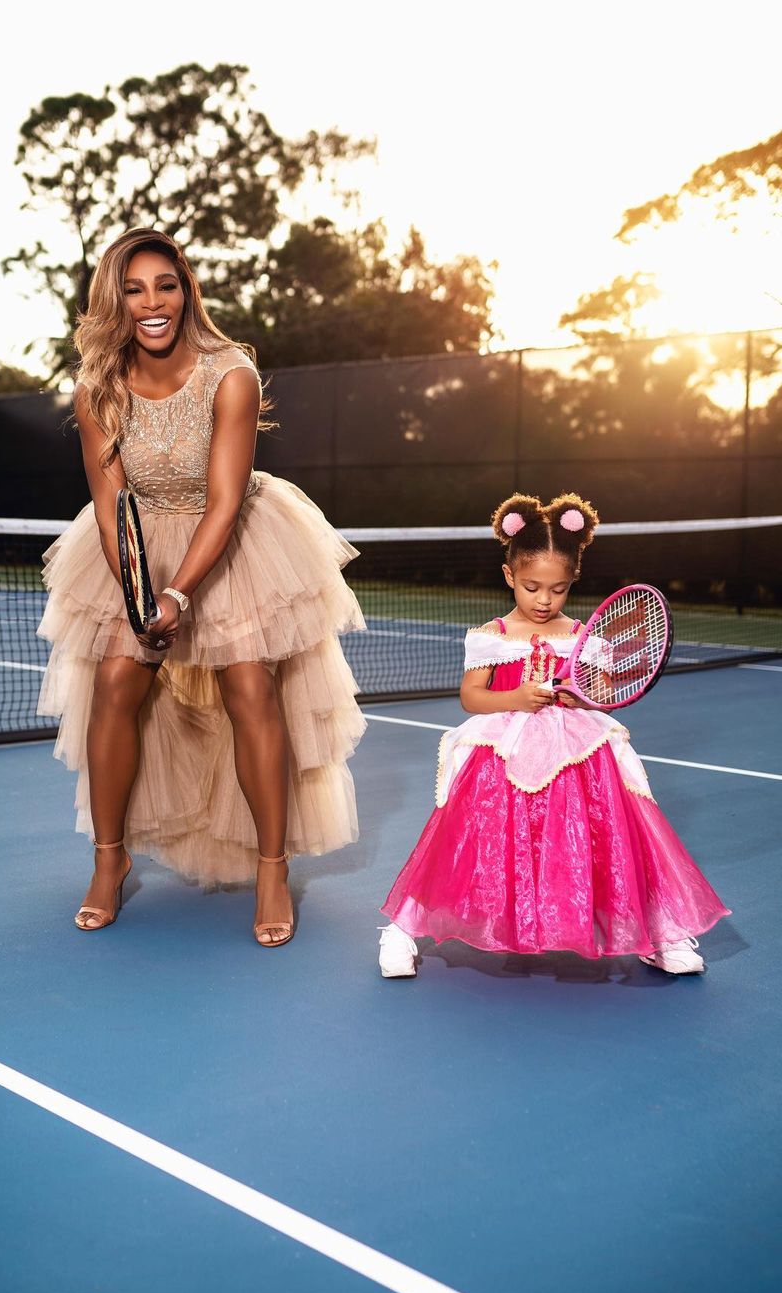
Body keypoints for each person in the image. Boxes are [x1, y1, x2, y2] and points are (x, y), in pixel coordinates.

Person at [36, 228, 366, 945]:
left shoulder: (231, 374)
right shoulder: (97, 388)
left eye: (166, 285)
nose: (152, 303)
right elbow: (108, 504)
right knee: (118, 682)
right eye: (134, 289)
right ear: (114, 301)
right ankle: (109, 860)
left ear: (186, 291)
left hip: (231, 538)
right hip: (139, 541)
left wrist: (178, 595)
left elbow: (223, 503)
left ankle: (273, 869)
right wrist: (136, 592)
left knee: (250, 686)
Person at [377, 492, 729, 979]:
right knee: (464, 842)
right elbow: (472, 697)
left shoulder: (587, 636)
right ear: (509, 577)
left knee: (611, 840)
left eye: (558, 589)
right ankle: (402, 927)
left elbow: (600, 693)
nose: (544, 600)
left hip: (579, 755)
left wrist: (578, 696)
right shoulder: (492, 634)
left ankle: (658, 933)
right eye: (531, 586)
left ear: (573, 582)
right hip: (502, 754)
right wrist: (516, 699)